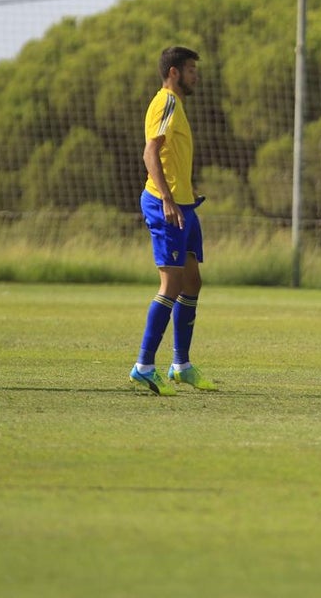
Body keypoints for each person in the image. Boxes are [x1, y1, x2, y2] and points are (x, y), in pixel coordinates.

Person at [129, 46, 215, 396]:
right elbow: (151, 151)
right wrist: (166, 197)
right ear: (175, 72)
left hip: (184, 206)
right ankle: (144, 366)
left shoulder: (177, 105)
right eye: (192, 69)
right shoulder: (165, 101)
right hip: (167, 206)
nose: (196, 75)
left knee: (192, 282)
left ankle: (181, 365)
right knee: (172, 285)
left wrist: (182, 198)